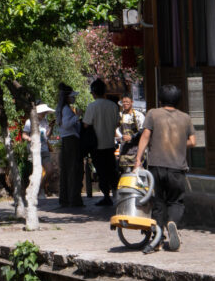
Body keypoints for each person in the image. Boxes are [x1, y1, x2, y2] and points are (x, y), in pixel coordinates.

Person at [133, 83, 195, 254]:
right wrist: (178, 144)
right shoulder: (185, 118)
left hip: (156, 167)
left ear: (160, 99)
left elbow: (145, 136)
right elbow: (193, 141)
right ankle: (172, 222)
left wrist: (138, 160)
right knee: (176, 201)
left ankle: (158, 240)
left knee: (158, 203)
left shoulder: (153, 113)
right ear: (178, 100)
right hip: (177, 168)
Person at [82, 79, 120, 206]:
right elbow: (117, 123)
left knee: (101, 172)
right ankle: (116, 194)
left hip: (96, 145)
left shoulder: (92, 106)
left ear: (93, 92)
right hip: (110, 143)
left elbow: (86, 124)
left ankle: (106, 196)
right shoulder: (113, 106)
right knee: (111, 169)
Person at [55, 84, 83, 207]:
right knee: (73, 170)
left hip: (67, 140)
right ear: (67, 97)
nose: (74, 99)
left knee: (67, 170)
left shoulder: (61, 108)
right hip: (71, 140)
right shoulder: (66, 109)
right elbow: (66, 125)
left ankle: (66, 198)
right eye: (72, 96)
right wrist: (77, 116)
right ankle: (73, 199)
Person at [23, 103, 56, 196]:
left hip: (44, 148)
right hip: (34, 150)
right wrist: (30, 139)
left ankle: (40, 187)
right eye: (43, 113)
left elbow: (46, 136)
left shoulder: (45, 121)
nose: (44, 114)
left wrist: (51, 127)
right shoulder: (29, 122)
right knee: (37, 172)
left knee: (50, 170)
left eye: (45, 113)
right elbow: (24, 134)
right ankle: (35, 192)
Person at [116, 93, 145, 170]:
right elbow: (116, 130)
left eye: (127, 102)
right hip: (124, 151)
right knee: (125, 176)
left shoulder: (139, 115)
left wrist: (131, 137)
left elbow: (142, 131)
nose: (125, 104)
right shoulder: (120, 116)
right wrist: (121, 137)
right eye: (123, 102)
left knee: (137, 175)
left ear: (132, 102)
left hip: (136, 150)